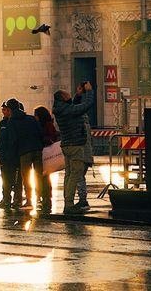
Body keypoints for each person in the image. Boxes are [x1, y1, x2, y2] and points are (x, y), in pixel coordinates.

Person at [52, 83, 96, 215]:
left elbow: (74, 109)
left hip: (67, 145)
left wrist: (78, 95)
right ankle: (69, 204)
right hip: (75, 145)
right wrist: (89, 92)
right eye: (67, 94)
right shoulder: (66, 110)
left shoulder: (61, 109)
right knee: (75, 175)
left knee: (69, 175)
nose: (69, 94)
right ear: (62, 98)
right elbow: (85, 107)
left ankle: (68, 202)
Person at [8, 99, 44, 211]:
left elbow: (13, 140)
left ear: (9, 109)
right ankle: (40, 198)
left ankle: (29, 200)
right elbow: (40, 132)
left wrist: (13, 156)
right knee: (39, 175)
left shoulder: (12, 122)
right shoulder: (31, 118)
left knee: (26, 177)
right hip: (37, 149)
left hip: (24, 152)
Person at [34, 106, 59, 215]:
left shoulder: (45, 125)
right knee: (43, 177)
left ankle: (43, 198)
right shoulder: (48, 124)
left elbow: (50, 137)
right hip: (44, 154)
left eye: (35, 115)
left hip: (44, 154)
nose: (34, 117)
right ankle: (45, 198)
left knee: (41, 177)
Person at [0, 101, 20, 209]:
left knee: (16, 180)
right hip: (4, 156)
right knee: (5, 179)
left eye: (5, 110)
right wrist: (0, 154)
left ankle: (16, 200)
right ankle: (6, 199)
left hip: (14, 156)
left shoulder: (15, 122)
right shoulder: (2, 123)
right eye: (3, 110)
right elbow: (1, 141)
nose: (4, 112)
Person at [74, 86, 95, 210]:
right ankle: (82, 199)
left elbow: (76, 107)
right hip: (86, 154)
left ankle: (83, 200)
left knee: (79, 177)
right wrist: (79, 95)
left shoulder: (80, 124)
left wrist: (89, 92)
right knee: (80, 177)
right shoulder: (85, 122)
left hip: (82, 154)